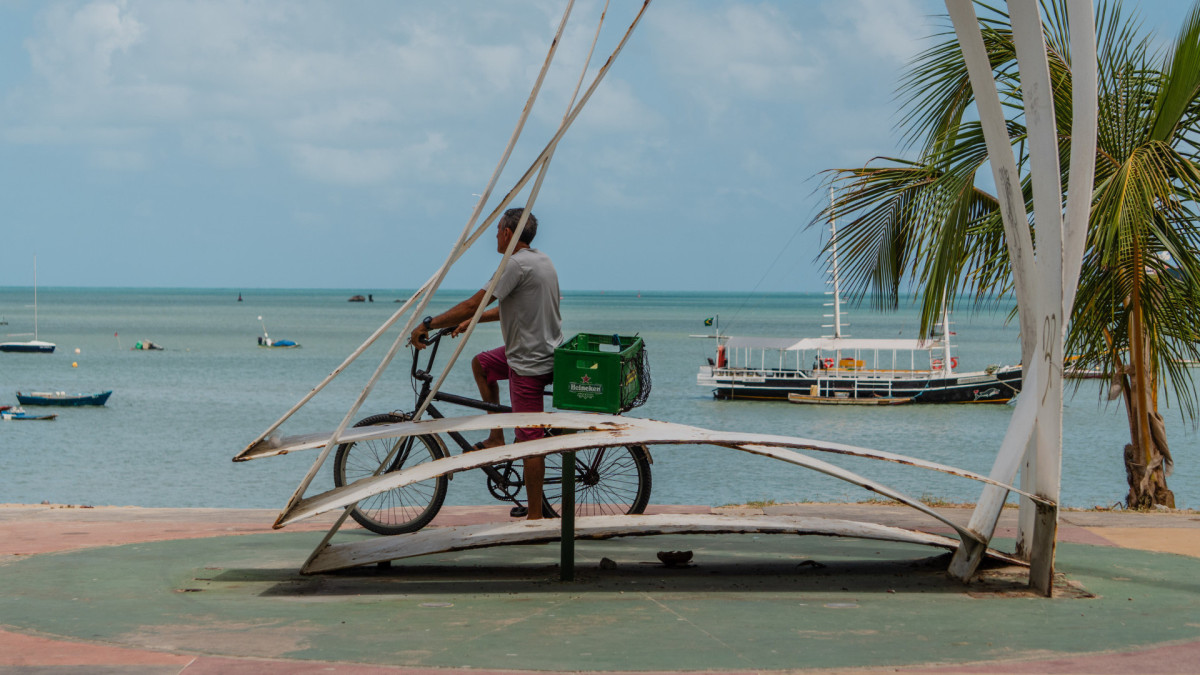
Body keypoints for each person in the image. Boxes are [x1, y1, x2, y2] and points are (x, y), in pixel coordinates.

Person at [410, 208, 562, 520]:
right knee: (481, 363)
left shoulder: (514, 265)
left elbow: (474, 302)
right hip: (545, 350)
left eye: (497, 231)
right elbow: (513, 306)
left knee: (530, 442)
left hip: (528, 364)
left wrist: (428, 323)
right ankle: (496, 436)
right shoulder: (541, 260)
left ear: (508, 233)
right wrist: (470, 321)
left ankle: (535, 519)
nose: (495, 236)